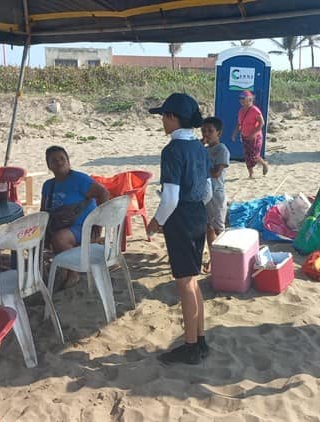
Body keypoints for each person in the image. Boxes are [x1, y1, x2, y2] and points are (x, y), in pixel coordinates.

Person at [146, 93, 212, 365]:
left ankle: (190, 345)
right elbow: (207, 192)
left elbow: (170, 197)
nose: (162, 120)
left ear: (173, 117)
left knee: (184, 283)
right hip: (198, 213)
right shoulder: (199, 147)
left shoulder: (172, 151)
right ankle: (200, 338)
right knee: (193, 279)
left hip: (181, 217)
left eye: (164, 115)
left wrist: (157, 222)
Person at [41, 146, 109, 288]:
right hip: (59, 224)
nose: (59, 163)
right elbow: (43, 211)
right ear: (49, 165)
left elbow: (103, 193)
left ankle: (73, 273)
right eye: (54, 160)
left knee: (59, 239)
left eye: (62, 159)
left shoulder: (80, 179)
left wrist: (98, 223)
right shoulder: (48, 185)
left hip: (83, 226)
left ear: (68, 161)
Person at [200, 116, 230, 273]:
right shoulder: (204, 150)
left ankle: (225, 260)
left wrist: (202, 168)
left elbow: (216, 173)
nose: (206, 133)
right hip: (205, 193)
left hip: (216, 194)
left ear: (218, 133)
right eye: (204, 130)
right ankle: (213, 257)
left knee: (219, 228)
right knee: (208, 227)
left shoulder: (221, 150)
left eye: (210, 131)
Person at [232, 90, 269, 178]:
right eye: (240, 98)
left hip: (256, 137)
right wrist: (235, 133)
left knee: (254, 156)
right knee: (247, 156)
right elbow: (239, 123)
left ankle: (264, 164)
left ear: (250, 99)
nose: (241, 100)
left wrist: (253, 133)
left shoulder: (255, 110)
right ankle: (251, 174)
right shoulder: (241, 111)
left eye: (243, 98)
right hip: (245, 136)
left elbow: (262, 123)